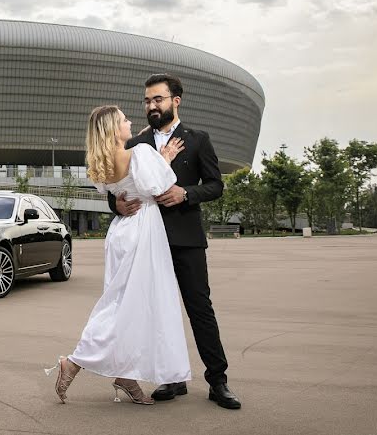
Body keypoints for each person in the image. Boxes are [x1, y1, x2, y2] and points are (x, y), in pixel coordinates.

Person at [109, 73, 241, 409]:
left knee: (200, 310)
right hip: (146, 241)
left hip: (187, 240)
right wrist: (117, 204)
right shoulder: (134, 143)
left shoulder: (198, 139)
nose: (152, 106)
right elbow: (118, 187)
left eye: (158, 100)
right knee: (157, 312)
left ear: (175, 101)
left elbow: (215, 185)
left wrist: (186, 192)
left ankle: (218, 381)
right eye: (147, 101)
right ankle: (171, 379)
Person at [47, 105, 191, 405]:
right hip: (144, 231)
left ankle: (126, 376)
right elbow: (160, 186)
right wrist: (164, 158)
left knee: (125, 302)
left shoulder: (103, 164)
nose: (130, 123)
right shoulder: (140, 154)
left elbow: (116, 191)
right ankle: (74, 362)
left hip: (122, 230)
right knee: (131, 304)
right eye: (125, 120)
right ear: (115, 129)